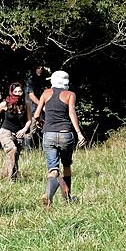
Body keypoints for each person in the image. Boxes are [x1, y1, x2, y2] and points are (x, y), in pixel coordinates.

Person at [30, 70, 86, 206]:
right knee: (66, 165)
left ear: (53, 81)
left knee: (53, 169)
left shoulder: (46, 93)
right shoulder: (70, 95)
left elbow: (37, 114)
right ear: (66, 82)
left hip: (48, 134)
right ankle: (67, 197)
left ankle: (48, 196)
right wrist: (79, 133)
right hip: (65, 134)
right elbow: (72, 113)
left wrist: (39, 123)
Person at [0, 82, 32, 182]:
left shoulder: (26, 104)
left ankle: (4, 176)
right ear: (11, 92)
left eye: (20, 91)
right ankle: (11, 180)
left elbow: (29, 120)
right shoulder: (5, 103)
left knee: (14, 156)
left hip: (19, 133)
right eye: (15, 92)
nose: (18, 94)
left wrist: (24, 129)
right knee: (12, 150)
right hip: (5, 132)